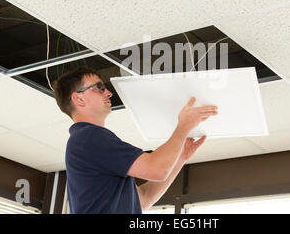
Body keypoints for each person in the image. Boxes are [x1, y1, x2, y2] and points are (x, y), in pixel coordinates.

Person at [53, 67, 218, 214]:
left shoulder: (88, 143)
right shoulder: (88, 137)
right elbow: (157, 169)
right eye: (99, 88)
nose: (108, 93)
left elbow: (144, 199)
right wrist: (183, 127)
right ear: (78, 99)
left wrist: (180, 157)